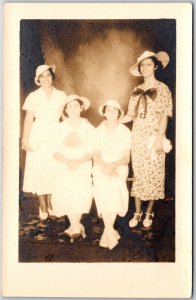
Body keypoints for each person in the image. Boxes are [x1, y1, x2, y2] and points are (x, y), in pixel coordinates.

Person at [120, 50, 173, 228]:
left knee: (154, 174)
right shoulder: (136, 90)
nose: (144, 67)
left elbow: (164, 116)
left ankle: (149, 212)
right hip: (138, 137)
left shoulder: (163, 89)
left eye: (148, 64)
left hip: (154, 137)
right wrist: (112, 121)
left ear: (155, 66)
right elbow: (130, 115)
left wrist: (159, 138)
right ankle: (137, 212)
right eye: (142, 65)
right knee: (139, 174)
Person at [22, 64, 67, 220]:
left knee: (53, 169)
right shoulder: (33, 96)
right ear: (38, 80)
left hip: (56, 133)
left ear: (52, 77)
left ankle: (50, 204)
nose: (46, 79)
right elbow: (28, 119)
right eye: (42, 76)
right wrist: (25, 139)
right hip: (39, 134)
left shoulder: (61, 95)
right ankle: (43, 206)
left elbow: (65, 117)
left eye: (48, 75)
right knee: (40, 169)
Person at [51, 95, 94, 241]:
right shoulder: (59, 128)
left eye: (76, 105)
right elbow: (55, 151)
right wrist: (68, 161)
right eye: (70, 106)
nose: (73, 109)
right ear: (66, 110)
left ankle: (74, 226)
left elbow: (92, 150)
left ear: (81, 108)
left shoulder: (88, 127)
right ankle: (76, 225)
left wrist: (79, 161)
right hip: (64, 164)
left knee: (81, 189)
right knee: (65, 188)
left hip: (82, 163)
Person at [93, 100, 132, 250]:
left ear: (119, 113)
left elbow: (126, 158)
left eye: (114, 110)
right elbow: (95, 155)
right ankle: (110, 230)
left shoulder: (125, 131)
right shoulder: (97, 131)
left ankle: (107, 232)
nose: (111, 113)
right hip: (101, 166)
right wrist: (105, 166)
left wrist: (113, 166)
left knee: (115, 187)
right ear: (104, 113)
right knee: (102, 188)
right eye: (108, 110)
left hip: (119, 167)